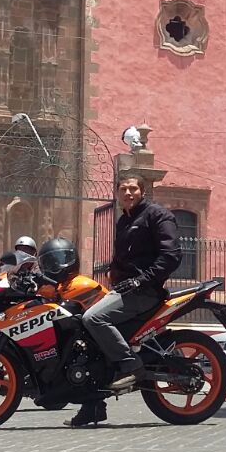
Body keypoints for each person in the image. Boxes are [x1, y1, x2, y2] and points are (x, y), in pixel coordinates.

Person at [65, 172, 181, 428]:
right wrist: (113, 272)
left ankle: (131, 366)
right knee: (82, 333)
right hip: (124, 289)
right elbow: (123, 258)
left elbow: (171, 256)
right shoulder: (124, 221)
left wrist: (142, 280)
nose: (128, 193)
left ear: (142, 191)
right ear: (117, 193)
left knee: (93, 319)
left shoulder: (157, 215)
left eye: (133, 189)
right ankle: (93, 405)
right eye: (123, 189)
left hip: (145, 291)